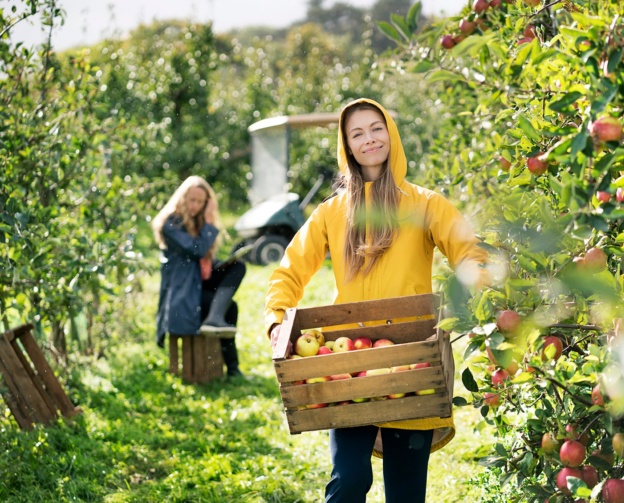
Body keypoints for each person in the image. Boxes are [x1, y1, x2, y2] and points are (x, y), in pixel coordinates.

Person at [264, 98, 488, 502]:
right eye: (357, 133)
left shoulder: (423, 204)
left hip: (412, 360)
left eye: (376, 128)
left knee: (405, 493)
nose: (369, 139)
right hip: (348, 365)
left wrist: (463, 298)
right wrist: (278, 318)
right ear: (346, 146)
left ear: (390, 133)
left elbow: (470, 252)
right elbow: (291, 268)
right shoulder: (332, 213)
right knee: (348, 481)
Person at [152, 175, 246, 378]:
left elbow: (202, 261)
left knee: (238, 267)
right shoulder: (170, 224)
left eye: (200, 202)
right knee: (231, 307)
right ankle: (232, 367)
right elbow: (196, 250)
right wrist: (210, 222)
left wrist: (222, 264)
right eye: (191, 199)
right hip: (183, 294)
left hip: (198, 284)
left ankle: (232, 367)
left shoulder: (198, 223)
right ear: (182, 198)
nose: (195, 205)